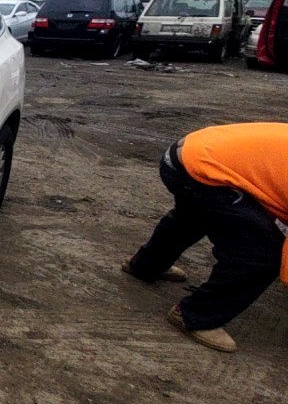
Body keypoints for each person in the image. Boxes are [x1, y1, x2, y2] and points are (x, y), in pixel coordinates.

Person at [122, 122, 288, 352]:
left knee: (193, 217)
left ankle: (144, 266)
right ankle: (195, 316)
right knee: (262, 254)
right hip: (201, 171)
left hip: (186, 157)